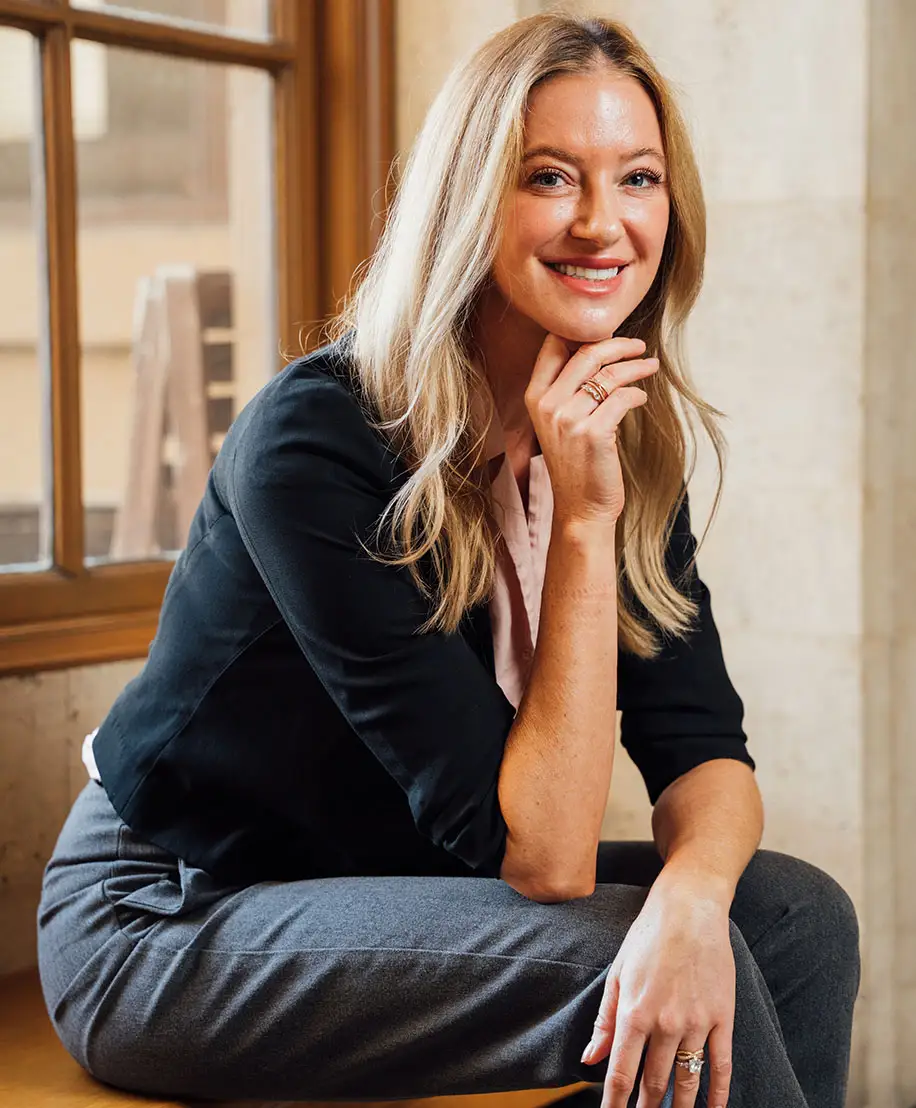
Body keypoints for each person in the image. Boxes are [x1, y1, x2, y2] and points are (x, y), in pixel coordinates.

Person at [37, 13, 859, 1108]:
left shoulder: (611, 429)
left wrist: (696, 898)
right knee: (609, 955)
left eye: (639, 179)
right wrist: (579, 528)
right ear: (470, 197)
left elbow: (704, 749)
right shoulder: (319, 437)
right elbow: (546, 860)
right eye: (551, 176)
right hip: (172, 918)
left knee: (794, 917)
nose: (603, 222)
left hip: (378, 885)